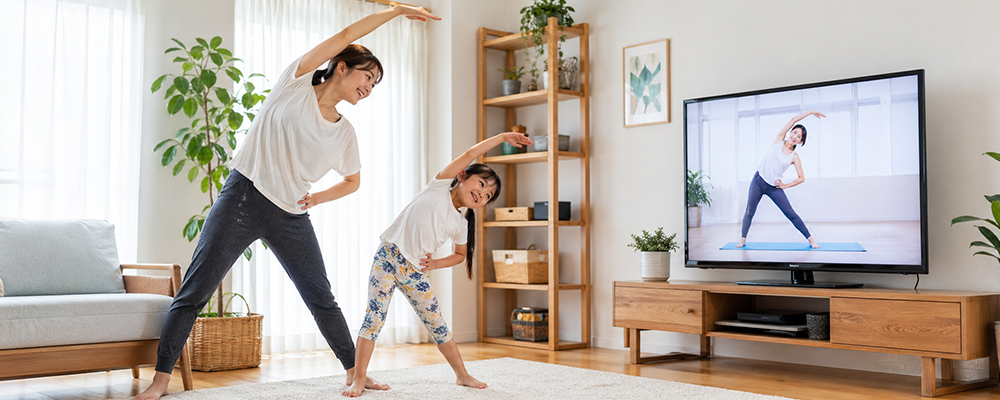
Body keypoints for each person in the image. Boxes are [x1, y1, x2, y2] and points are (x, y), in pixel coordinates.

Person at [134, 6, 441, 400]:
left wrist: (315, 196)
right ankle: (161, 380)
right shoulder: (294, 83)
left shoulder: (345, 133)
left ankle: (354, 371)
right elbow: (345, 32)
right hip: (243, 197)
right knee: (195, 291)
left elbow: (353, 182)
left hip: (290, 216)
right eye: (368, 76)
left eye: (376, 84)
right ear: (342, 67)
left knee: (321, 297)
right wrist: (396, 11)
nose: (371, 87)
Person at [342, 132, 534, 397]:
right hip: (388, 257)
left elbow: (459, 255)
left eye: (489, 196)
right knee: (374, 318)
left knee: (438, 325)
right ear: (463, 176)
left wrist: (434, 264)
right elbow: (469, 154)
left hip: (416, 272)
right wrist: (502, 137)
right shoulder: (439, 186)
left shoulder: (461, 223)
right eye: (481, 185)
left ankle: (462, 375)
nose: (482, 194)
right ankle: (359, 378)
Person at [737, 110, 825, 249]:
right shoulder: (779, 139)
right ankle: (742, 239)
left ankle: (810, 239)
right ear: (790, 132)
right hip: (758, 181)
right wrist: (811, 112)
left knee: (790, 213)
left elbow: (801, 178)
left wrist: (786, 185)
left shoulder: (794, 157)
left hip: (774, 187)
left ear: (801, 141)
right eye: (794, 132)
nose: (795, 136)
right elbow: (792, 120)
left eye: (799, 136)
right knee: (749, 211)